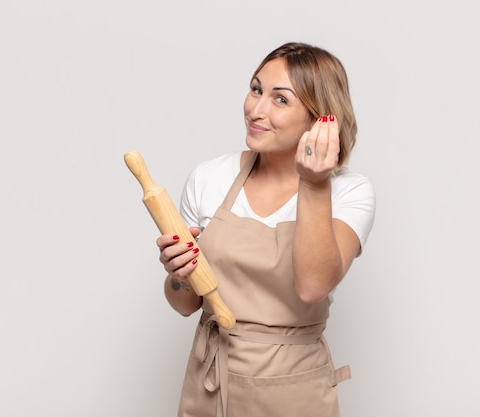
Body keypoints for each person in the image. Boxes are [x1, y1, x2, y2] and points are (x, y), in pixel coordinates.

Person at [156, 42, 375, 417]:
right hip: (209, 383)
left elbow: (312, 286)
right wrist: (178, 276)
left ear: (320, 118)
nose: (256, 110)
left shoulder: (348, 192)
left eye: (280, 100)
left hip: (294, 391)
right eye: (256, 90)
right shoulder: (210, 178)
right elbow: (185, 304)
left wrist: (314, 183)